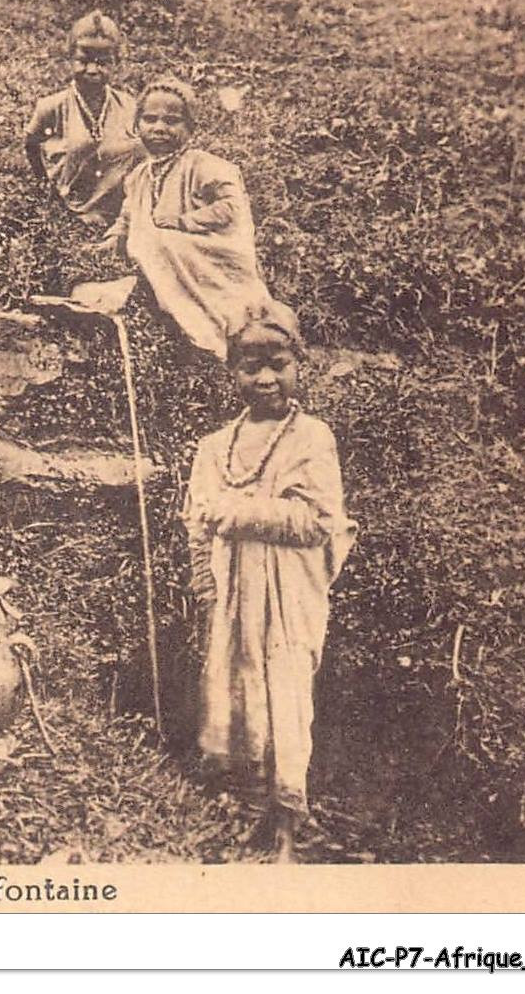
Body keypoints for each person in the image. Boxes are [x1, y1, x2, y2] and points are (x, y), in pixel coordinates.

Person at [182, 301, 357, 862]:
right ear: (231, 371)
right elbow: (197, 524)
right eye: (249, 366)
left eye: (277, 363)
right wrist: (205, 590)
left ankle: (287, 814)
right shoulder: (214, 447)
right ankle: (247, 805)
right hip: (232, 595)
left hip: (288, 596)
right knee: (235, 688)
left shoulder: (312, 438)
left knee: (283, 688)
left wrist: (242, 513)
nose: (264, 378)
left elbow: (318, 523)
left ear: (297, 362)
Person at [96, 75, 268, 361]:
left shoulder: (205, 165)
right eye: (150, 119)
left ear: (190, 127)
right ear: (136, 125)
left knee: (159, 242)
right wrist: (114, 238)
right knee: (150, 242)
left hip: (208, 254)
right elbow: (128, 213)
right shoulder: (139, 175)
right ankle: (178, 317)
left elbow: (231, 207)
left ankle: (207, 333)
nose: (160, 128)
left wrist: (184, 221)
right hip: (162, 256)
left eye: (172, 121)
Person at [23, 10, 145, 232]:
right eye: (83, 60)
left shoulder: (129, 106)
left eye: (103, 62)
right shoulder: (51, 107)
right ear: (69, 59)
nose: (92, 70)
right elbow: (31, 145)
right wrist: (46, 189)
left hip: (119, 216)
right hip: (70, 214)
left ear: (117, 62)